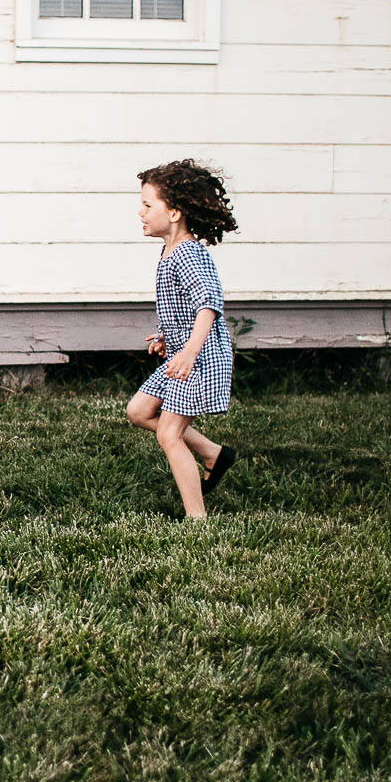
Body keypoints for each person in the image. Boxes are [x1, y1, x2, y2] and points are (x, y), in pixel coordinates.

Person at [124, 160, 240, 520]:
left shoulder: (188, 254)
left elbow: (208, 304)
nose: (139, 212)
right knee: (139, 412)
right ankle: (214, 454)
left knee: (169, 434)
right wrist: (167, 337)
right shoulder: (169, 251)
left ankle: (197, 520)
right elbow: (185, 309)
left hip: (199, 360)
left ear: (174, 212)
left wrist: (189, 350)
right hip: (181, 354)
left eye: (148, 205)